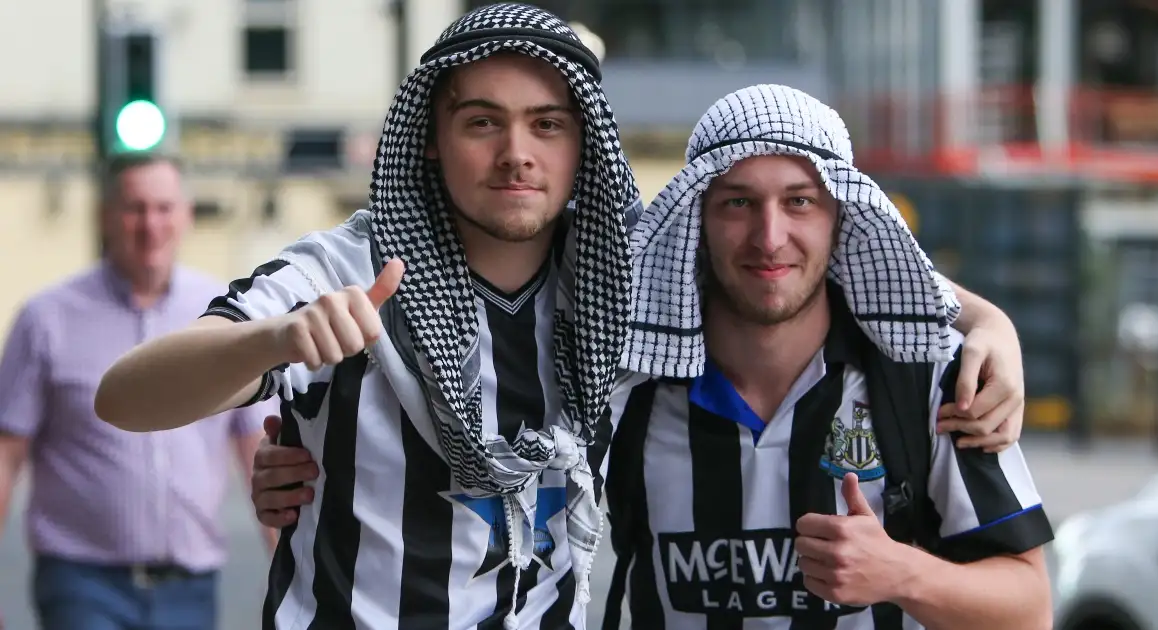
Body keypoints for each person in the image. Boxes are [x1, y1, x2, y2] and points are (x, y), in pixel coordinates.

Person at [96, 5, 1027, 629]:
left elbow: (796, 271)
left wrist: (991, 326)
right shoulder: (340, 270)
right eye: (482, 123)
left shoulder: (620, 276)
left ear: (582, 143)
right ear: (432, 138)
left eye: (547, 124)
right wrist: (273, 342)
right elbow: (124, 398)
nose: (517, 154)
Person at [599, 85, 1052, 628]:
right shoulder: (626, 380)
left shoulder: (929, 373)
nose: (770, 238)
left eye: (800, 201)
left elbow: (1031, 610)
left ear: (842, 219)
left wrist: (902, 574)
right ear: (697, 221)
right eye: (738, 202)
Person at [0, 152, 279, 630]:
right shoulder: (46, 319)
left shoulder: (226, 317)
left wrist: (288, 567)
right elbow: (7, 455)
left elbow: (259, 450)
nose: (151, 225)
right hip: (82, 583)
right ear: (104, 216)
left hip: (191, 587)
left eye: (164, 208)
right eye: (135, 208)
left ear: (187, 215)